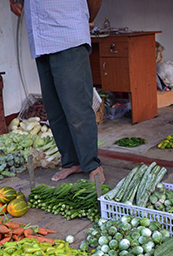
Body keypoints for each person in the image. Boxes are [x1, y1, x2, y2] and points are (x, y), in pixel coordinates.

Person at [24, 0, 105, 184]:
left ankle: (92, 165)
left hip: (67, 35)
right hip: (40, 40)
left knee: (77, 109)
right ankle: (71, 162)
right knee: (55, 110)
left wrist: (87, 18)